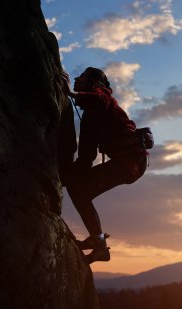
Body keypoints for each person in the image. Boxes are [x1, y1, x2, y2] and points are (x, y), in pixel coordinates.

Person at [62, 68, 148, 263]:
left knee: (79, 191)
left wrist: (71, 94)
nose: (76, 78)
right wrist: (65, 178)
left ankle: (99, 246)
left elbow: (100, 100)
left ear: (93, 83)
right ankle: (98, 243)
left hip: (131, 163)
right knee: (78, 190)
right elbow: (86, 158)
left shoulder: (102, 99)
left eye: (82, 76)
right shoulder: (91, 117)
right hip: (128, 163)